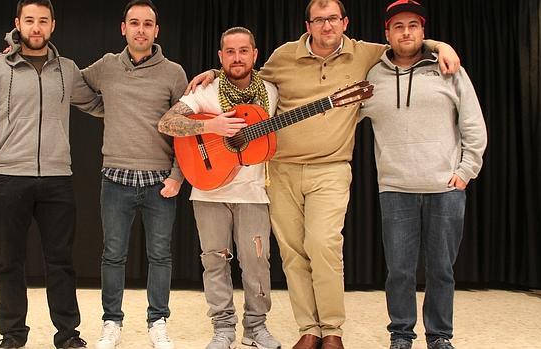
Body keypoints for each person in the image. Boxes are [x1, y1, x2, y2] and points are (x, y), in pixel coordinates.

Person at [186, 1, 462, 348]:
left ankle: (332, 328)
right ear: (308, 24)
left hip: (330, 167)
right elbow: (245, 75)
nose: (327, 25)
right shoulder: (284, 56)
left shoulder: (364, 54)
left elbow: (404, 42)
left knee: (324, 244)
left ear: (344, 22)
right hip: (282, 169)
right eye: (319, 19)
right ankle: (308, 329)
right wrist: (214, 73)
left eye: (333, 18)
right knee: (292, 252)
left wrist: (441, 45)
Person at [0, 1, 103, 348]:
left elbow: (99, 104)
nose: (36, 27)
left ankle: (68, 334)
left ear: (53, 25)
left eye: (43, 21)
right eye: (30, 21)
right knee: (9, 260)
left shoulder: (67, 70)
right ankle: (12, 335)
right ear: (18, 24)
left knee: (61, 261)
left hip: (57, 179)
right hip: (10, 176)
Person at [359, 1, 487, 349]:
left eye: (412, 25)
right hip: (395, 188)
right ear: (387, 34)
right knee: (399, 271)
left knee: (441, 271)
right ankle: (401, 334)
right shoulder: (371, 77)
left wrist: (466, 171)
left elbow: (473, 124)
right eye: (398, 26)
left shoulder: (449, 69)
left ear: (423, 31)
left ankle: (439, 335)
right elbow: (342, 121)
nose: (406, 32)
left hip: (445, 188)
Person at [158, 27, 281, 349]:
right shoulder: (206, 91)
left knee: (256, 262)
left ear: (255, 54)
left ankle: (256, 328)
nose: (237, 57)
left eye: (244, 51)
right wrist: (210, 125)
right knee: (214, 261)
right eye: (230, 51)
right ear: (220, 56)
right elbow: (167, 123)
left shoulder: (272, 89)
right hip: (208, 190)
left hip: (254, 193)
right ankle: (223, 329)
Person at [79, 1, 187, 349]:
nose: (141, 29)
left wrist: (177, 176)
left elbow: (187, 130)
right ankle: (112, 322)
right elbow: (73, 85)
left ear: (157, 31)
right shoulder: (107, 67)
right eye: (134, 23)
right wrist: (106, 109)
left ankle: (158, 322)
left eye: (148, 24)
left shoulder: (173, 72)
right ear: (123, 28)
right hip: (115, 179)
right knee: (113, 255)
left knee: (160, 256)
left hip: (160, 182)